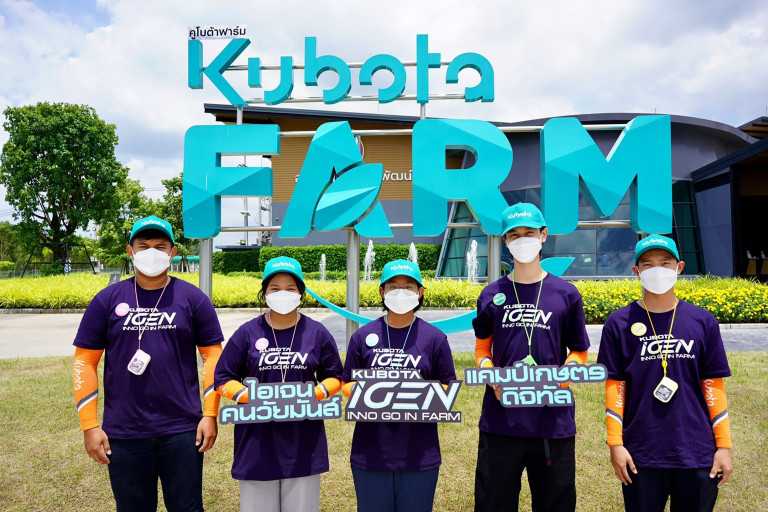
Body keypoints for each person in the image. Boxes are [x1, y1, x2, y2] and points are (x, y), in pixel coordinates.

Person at [72, 215, 224, 511]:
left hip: (183, 428)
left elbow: (213, 357)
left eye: (160, 246)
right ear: (130, 252)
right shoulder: (106, 299)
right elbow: (84, 361)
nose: (151, 252)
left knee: (188, 508)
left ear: (173, 252)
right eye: (143, 246)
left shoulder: (193, 299)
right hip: (123, 431)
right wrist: (89, 426)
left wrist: (210, 414)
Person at [597, 234, 733, 512]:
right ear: (636, 271)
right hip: (641, 452)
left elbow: (713, 387)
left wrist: (724, 446)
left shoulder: (703, 321)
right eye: (647, 264)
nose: (656, 269)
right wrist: (615, 444)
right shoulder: (618, 323)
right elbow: (615, 387)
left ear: (679, 267)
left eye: (665, 262)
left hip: (697, 451)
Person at [473, 203, 590, 512]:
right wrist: (491, 376)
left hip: (552, 423)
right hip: (501, 422)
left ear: (543, 235)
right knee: (493, 504)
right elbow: (482, 350)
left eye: (529, 233)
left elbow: (579, 350)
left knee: (555, 505)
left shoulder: (566, 294)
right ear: (505, 240)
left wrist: (561, 380)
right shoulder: (491, 294)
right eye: (514, 235)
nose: (522, 240)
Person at [214, 256, 343, 512]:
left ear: (301, 293)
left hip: (304, 442)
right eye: (275, 288)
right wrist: (249, 397)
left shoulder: (317, 332)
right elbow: (223, 378)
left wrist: (316, 394)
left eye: (290, 288)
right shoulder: (247, 332)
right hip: (256, 443)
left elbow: (335, 375)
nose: (282, 293)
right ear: (265, 292)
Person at [341, 259, 457, 512]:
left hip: (419, 453)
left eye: (408, 286)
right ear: (382, 292)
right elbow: (347, 383)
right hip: (371, 451)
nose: (400, 292)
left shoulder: (434, 338)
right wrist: (377, 396)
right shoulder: (362, 336)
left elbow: (448, 385)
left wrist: (413, 397)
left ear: (420, 292)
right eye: (393, 286)